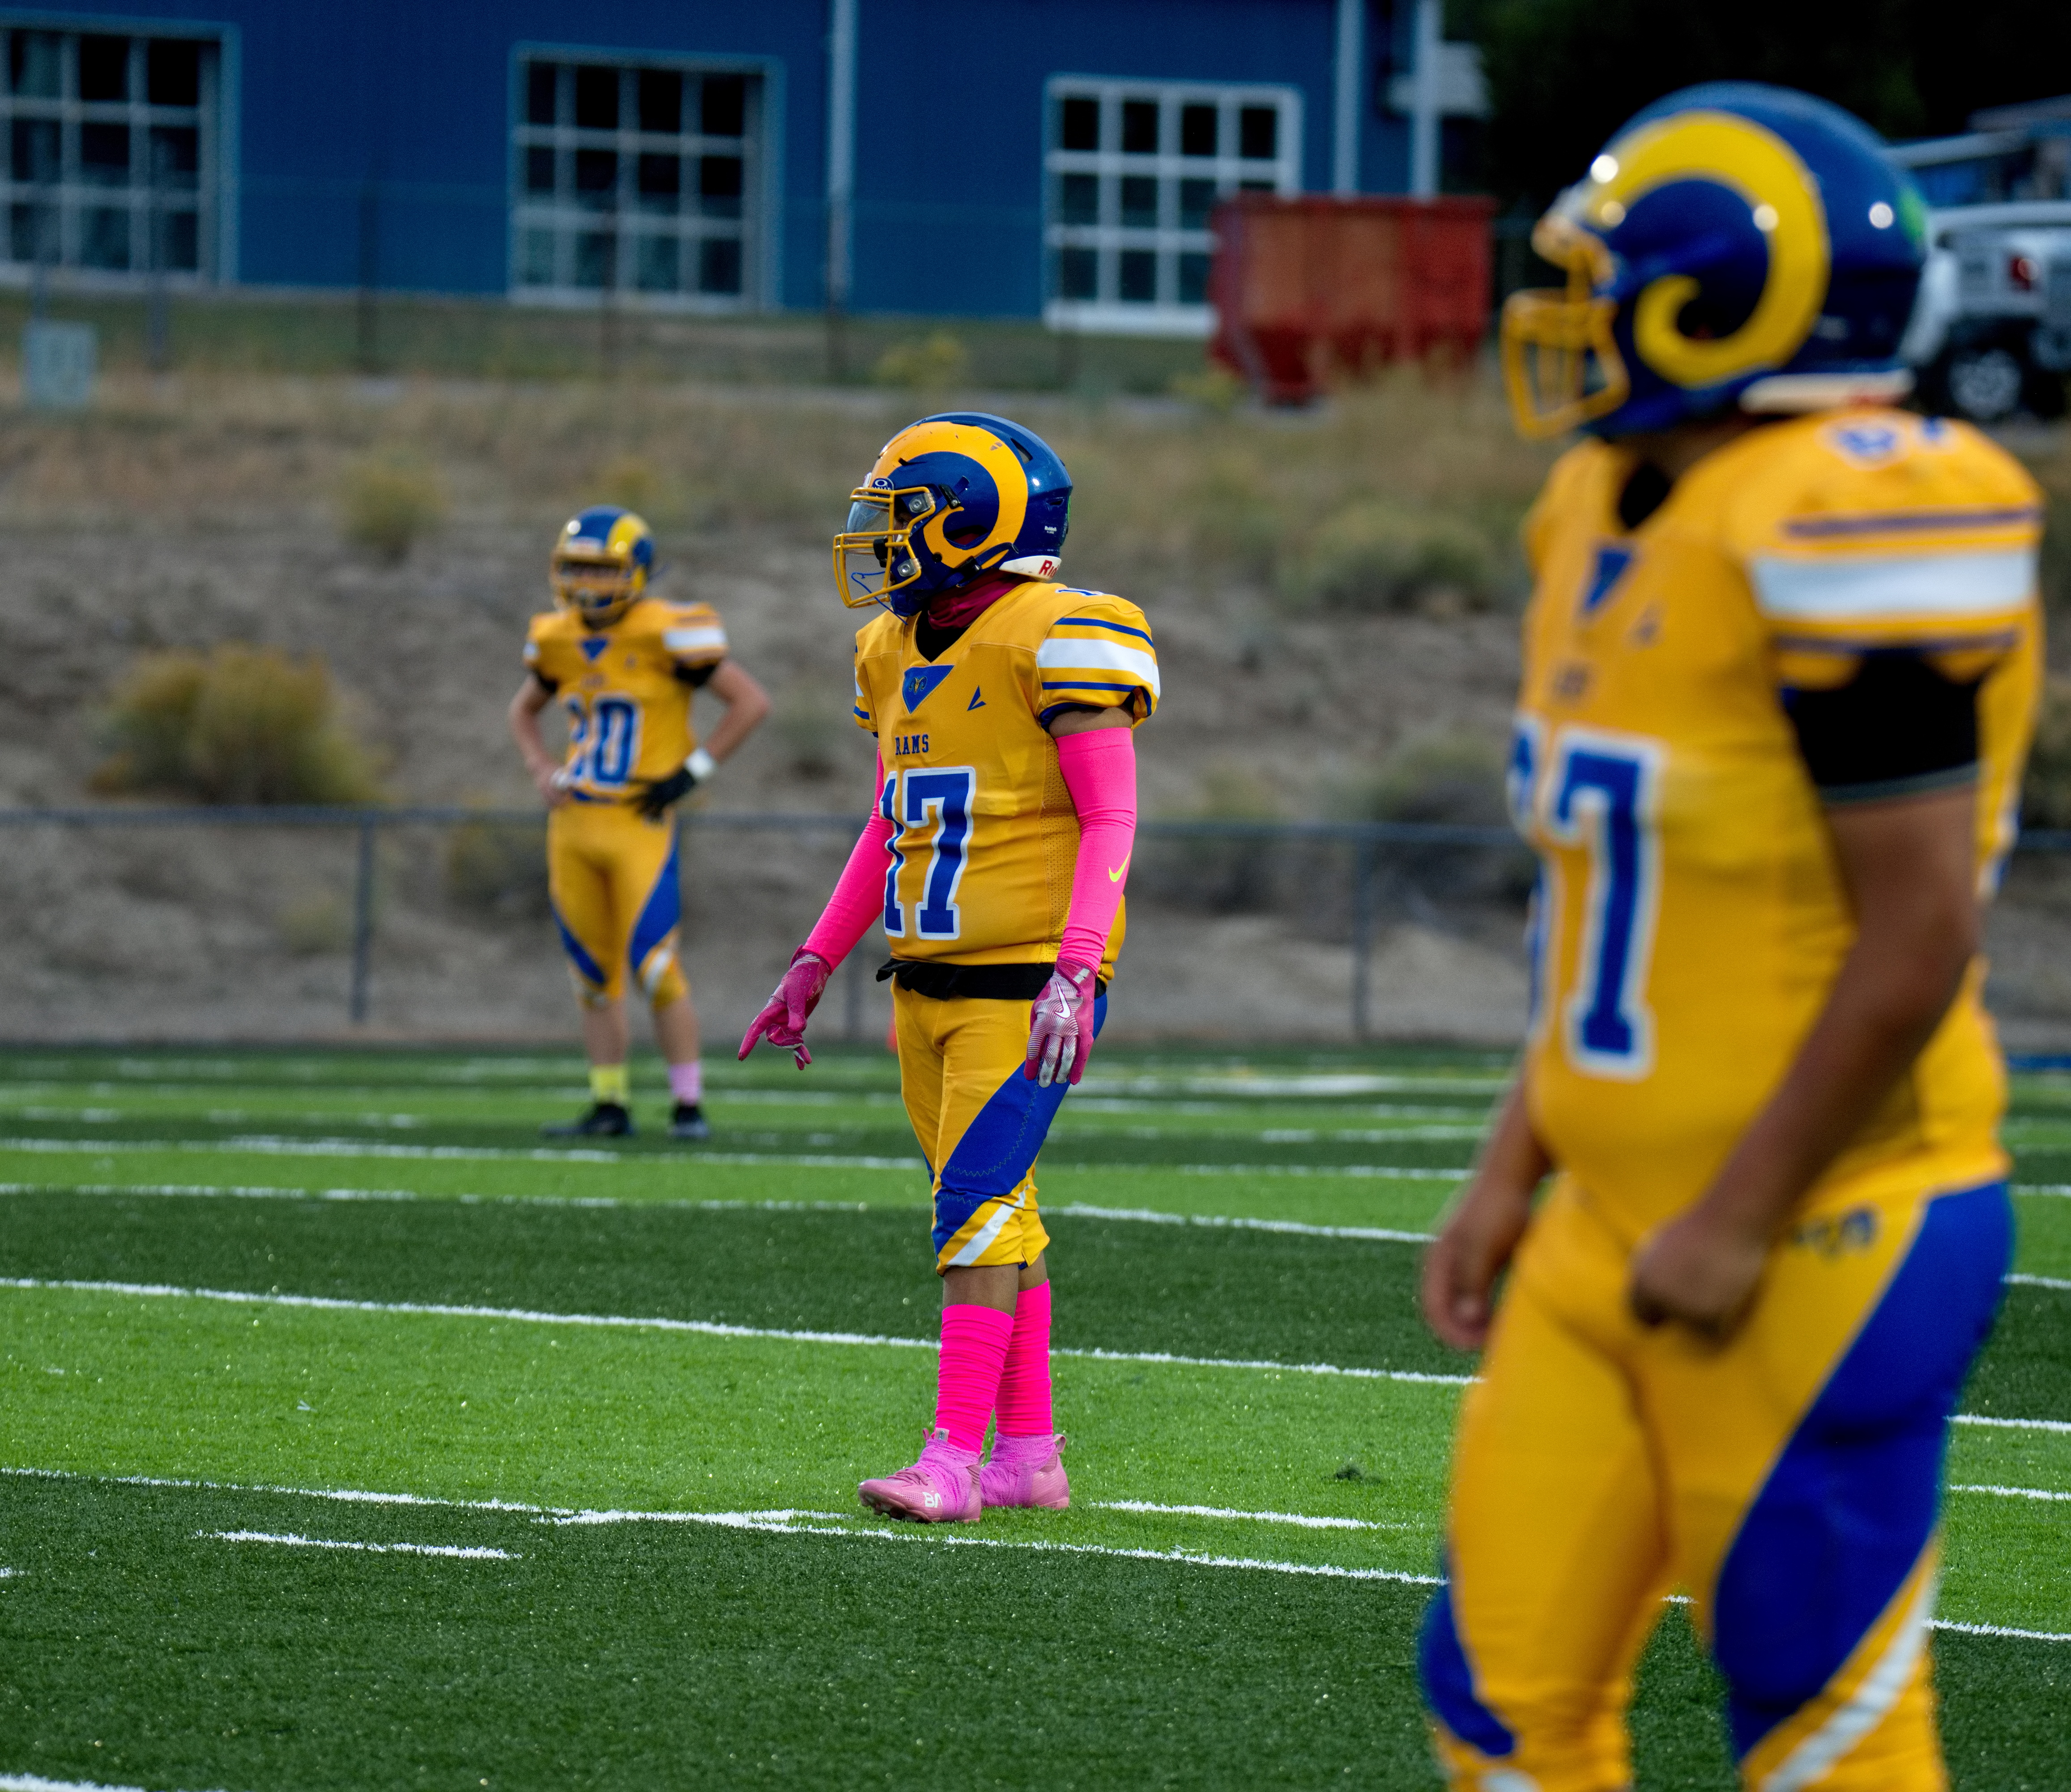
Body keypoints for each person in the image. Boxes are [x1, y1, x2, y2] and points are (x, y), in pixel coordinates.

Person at [1417, 85, 2042, 1790]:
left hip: (1815, 1226)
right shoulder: (1598, 507)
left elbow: (1913, 937)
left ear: (1727, 302)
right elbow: (1604, 920)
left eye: (1601, 274)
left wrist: (1734, 1214)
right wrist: (1509, 1164)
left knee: (1813, 1730)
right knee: (1496, 1699)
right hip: (1604, 1206)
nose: (1565, 312)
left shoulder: (1852, 511)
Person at [738, 412, 1155, 1522]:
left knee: (972, 1208)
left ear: (975, 523)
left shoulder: (1057, 634)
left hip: (1025, 985)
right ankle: (1029, 1457)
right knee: (997, 1211)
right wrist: (815, 958)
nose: (881, 543)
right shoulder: (888, 651)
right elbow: (888, 824)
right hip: (920, 986)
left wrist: (1075, 968)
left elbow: (1112, 813)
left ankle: (951, 1462)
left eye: (904, 520)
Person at [511, 506, 769, 1139]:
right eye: (577, 568)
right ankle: (610, 1103)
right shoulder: (556, 637)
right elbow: (524, 711)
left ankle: (688, 1104)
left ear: (636, 572)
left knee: (655, 967)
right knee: (591, 976)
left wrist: (693, 772)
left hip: (638, 822)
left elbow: (750, 702)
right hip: (574, 825)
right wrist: (541, 765)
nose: (587, 582)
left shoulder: (670, 631)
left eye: (602, 569)